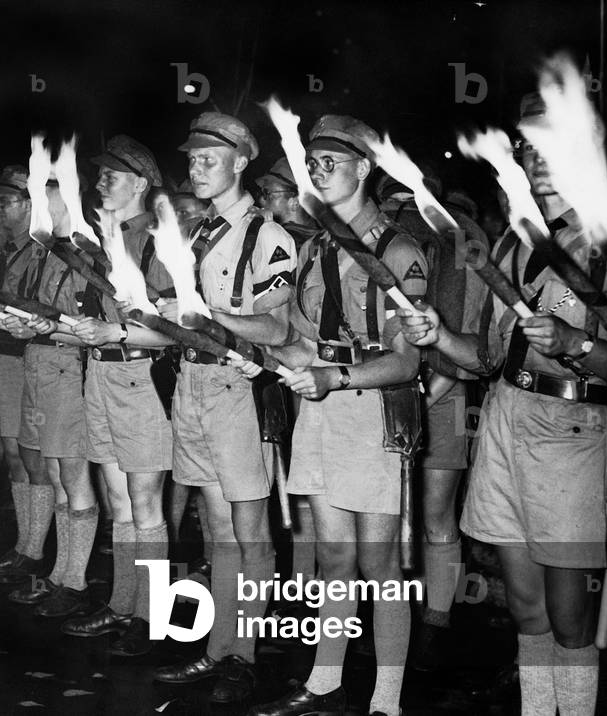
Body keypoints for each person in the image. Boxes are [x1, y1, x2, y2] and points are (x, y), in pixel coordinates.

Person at [397, 92, 607, 716]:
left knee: (569, 614)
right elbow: (492, 354)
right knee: (526, 608)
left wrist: (578, 343)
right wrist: (438, 336)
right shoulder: (513, 244)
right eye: (530, 145)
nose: (540, 157)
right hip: (505, 418)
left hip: (570, 430)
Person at [251, 115, 427, 716]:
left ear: (364, 169)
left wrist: (332, 376)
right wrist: (268, 356)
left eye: (332, 162)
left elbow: (406, 362)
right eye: (315, 163)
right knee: (333, 559)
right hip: (319, 413)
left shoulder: (398, 251)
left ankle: (387, 699)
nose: (320, 172)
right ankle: (324, 683)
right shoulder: (315, 247)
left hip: (374, 414)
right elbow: (303, 338)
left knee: (379, 566)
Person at [153, 112, 295, 704]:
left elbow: (279, 326)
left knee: (249, 529)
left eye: (209, 158)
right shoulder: (199, 232)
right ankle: (218, 648)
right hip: (194, 384)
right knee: (216, 530)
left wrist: (210, 321)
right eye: (191, 158)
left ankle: (245, 656)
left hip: (240, 392)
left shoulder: (269, 238)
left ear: (242, 162)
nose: (196, 167)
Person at [56, 134, 175, 656]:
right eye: (99, 173)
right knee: (118, 500)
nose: (101, 181)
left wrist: (117, 335)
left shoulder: (158, 241)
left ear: (142, 184)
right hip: (99, 373)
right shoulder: (101, 240)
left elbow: (178, 330)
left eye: (113, 174)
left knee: (146, 504)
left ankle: (152, 617)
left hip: (142, 376)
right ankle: (123, 603)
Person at [376, 173, 491, 671]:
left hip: (438, 389)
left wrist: (424, 397)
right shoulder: (375, 232)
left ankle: (435, 623)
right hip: (384, 386)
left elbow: (468, 337)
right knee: (388, 514)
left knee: (433, 513)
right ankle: (397, 622)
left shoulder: (457, 235)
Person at [1, 172, 98, 619]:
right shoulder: (44, 252)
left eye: (51, 203)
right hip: (39, 362)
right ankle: (58, 572)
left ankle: (74, 579)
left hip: (66, 368)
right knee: (55, 474)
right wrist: (26, 325)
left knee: (73, 478)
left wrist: (48, 327)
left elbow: (92, 327)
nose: (44, 211)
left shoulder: (84, 253)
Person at [0, 165, 54, 585]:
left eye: (7, 202)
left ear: (29, 204)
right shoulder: (4, 248)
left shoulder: (42, 250)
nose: (1, 209)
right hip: (2, 357)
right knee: (11, 454)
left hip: (28, 361)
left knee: (32, 456)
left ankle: (35, 550)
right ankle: (24, 543)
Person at [255, 157, 321, 252]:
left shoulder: (285, 243)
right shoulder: (319, 238)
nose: (261, 199)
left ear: (295, 203)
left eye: (268, 194)